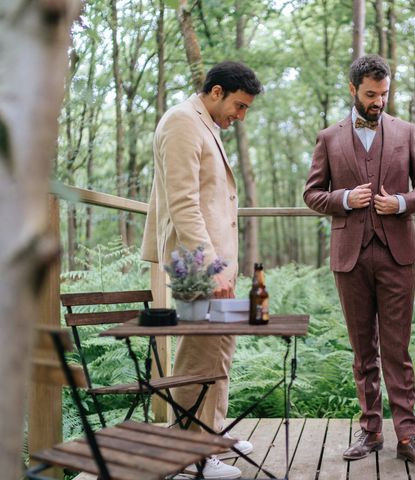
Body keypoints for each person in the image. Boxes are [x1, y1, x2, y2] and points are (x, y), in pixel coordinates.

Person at [303, 54, 415, 471]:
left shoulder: (407, 131)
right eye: (370, 94)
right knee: (364, 351)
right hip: (350, 257)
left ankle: (408, 436)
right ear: (353, 90)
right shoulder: (329, 137)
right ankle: (370, 429)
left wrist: (400, 202)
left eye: (384, 93)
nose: (379, 101)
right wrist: (344, 199)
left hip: (397, 254)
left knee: (397, 351)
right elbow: (312, 194)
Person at [141, 61, 262, 480]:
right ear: (215, 91)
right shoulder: (181, 123)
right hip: (196, 264)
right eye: (239, 106)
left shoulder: (204, 122)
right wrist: (210, 267)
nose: (240, 116)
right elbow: (184, 203)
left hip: (217, 261)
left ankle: (210, 435)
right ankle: (189, 455)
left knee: (220, 348)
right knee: (198, 354)